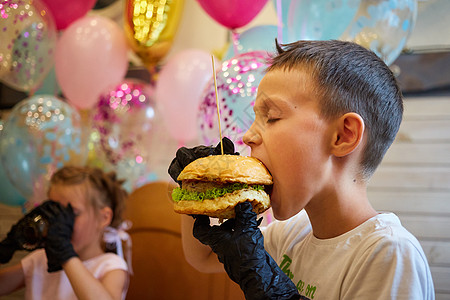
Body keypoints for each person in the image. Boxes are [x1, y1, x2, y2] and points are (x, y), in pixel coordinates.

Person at [169, 40, 435, 299]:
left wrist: (274, 293)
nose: (248, 136)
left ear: (343, 136)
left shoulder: (388, 253)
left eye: (271, 117)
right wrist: (197, 190)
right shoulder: (293, 234)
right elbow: (203, 257)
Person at [0, 166, 130, 300]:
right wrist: (6, 247)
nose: (60, 223)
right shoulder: (41, 260)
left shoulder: (110, 266)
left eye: (72, 213)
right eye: (55, 213)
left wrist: (65, 254)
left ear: (104, 218)